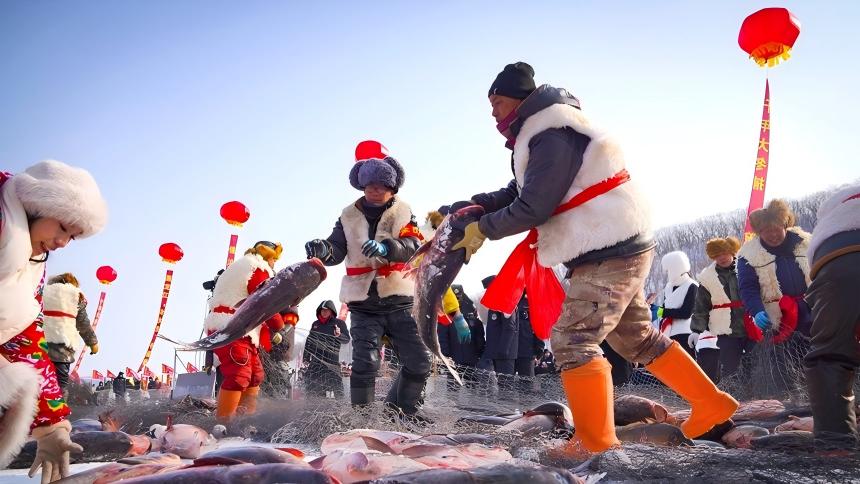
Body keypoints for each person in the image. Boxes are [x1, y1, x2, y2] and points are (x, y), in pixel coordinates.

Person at [439, 62, 736, 453]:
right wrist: (477, 207)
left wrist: (483, 229)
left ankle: (594, 440)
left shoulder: (551, 134)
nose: (492, 110)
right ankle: (712, 403)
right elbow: (518, 190)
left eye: (497, 101)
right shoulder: (546, 133)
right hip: (618, 243)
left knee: (574, 339)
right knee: (638, 339)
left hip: (607, 247)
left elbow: (534, 206)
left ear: (519, 99)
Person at [304, 140, 430, 422]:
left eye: (382, 185)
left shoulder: (404, 212)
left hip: (400, 299)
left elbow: (414, 244)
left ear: (393, 187)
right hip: (363, 303)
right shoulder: (347, 215)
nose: (375, 189)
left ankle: (403, 411)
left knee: (419, 361)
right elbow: (337, 248)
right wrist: (324, 250)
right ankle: (362, 419)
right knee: (365, 363)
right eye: (370, 184)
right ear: (361, 184)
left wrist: (389, 248)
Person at [0, 160, 106, 479]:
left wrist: (52, 428)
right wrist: (92, 341)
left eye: (72, 236)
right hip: (63, 349)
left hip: (54, 349)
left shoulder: (32, 269)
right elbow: (83, 321)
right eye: (61, 226)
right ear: (35, 206)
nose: (62, 242)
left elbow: (27, 337)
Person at [803, 183, 860, 450]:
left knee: (830, 356)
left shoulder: (832, 214)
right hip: (838, 257)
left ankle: (836, 449)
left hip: (836, 262)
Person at [203, 241, 286, 422]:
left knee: (255, 375)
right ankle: (225, 424)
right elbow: (265, 300)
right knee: (238, 374)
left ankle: (246, 420)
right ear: (268, 256)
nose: (274, 265)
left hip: (238, 328)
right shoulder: (258, 267)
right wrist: (278, 325)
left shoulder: (241, 265)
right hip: (232, 327)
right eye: (274, 260)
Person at [738, 199, 812, 398]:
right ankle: (793, 403)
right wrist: (756, 311)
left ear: (785, 224)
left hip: (812, 309)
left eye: (776, 229)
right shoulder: (748, 255)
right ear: (758, 232)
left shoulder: (805, 242)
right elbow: (747, 288)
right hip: (778, 318)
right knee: (784, 365)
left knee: (817, 358)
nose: (772, 235)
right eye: (765, 231)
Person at [691, 237, 754, 384]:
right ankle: (736, 400)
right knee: (731, 369)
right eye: (717, 255)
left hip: (752, 325)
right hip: (726, 330)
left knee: (756, 363)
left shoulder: (747, 268)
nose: (722, 258)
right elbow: (701, 306)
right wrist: (696, 330)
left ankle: (761, 399)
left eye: (724, 253)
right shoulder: (707, 278)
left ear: (732, 251)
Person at [41, 273, 99, 399]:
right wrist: (93, 343)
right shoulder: (76, 297)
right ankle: (57, 413)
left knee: (38, 380)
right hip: (62, 348)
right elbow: (83, 325)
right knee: (60, 385)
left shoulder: (43, 292)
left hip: (39, 343)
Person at [475, 275, 519, 395]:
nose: (487, 293)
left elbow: (510, 328)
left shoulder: (505, 301)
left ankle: (508, 411)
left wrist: (503, 350)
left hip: (504, 354)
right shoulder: (495, 304)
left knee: (506, 387)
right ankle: (503, 411)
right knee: (501, 386)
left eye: (489, 290)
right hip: (497, 353)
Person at [438, 285, 486, 390]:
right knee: (454, 388)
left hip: (470, 357)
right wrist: (445, 354)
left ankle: (469, 405)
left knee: (471, 388)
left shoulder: (471, 309)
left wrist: (480, 351)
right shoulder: (447, 311)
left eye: (458, 296)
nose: (458, 299)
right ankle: (453, 406)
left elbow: (479, 334)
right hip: (455, 357)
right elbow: (442, 335)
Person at [652, 251, 698, 357]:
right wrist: (655, 310)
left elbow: (686, 312)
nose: (668, 273)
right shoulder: (668, 287)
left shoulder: (692, 286)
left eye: (669, 270)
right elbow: (663, 309)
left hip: (686, 333)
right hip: (668, 334)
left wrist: (662, 311)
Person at [303, 300, 350, 398]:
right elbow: (309, 341)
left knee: (337, 389)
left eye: (326, 310)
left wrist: (339, 335)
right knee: (313, 388)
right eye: (322, 310)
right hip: (316, 362)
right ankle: (315, 410)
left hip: (331, 362)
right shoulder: (315, 324)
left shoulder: (339, 323)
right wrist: (306, 358)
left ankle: (339, 409)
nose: (324, 312)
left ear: (331, 311)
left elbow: (346, 339)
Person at [514, 291, 545, 393]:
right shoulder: (532, 306)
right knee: (526, 389)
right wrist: (539, 352)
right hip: (527, 352)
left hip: (511, 351)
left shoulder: (511, 304)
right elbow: (538, 330)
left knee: (507, 387)